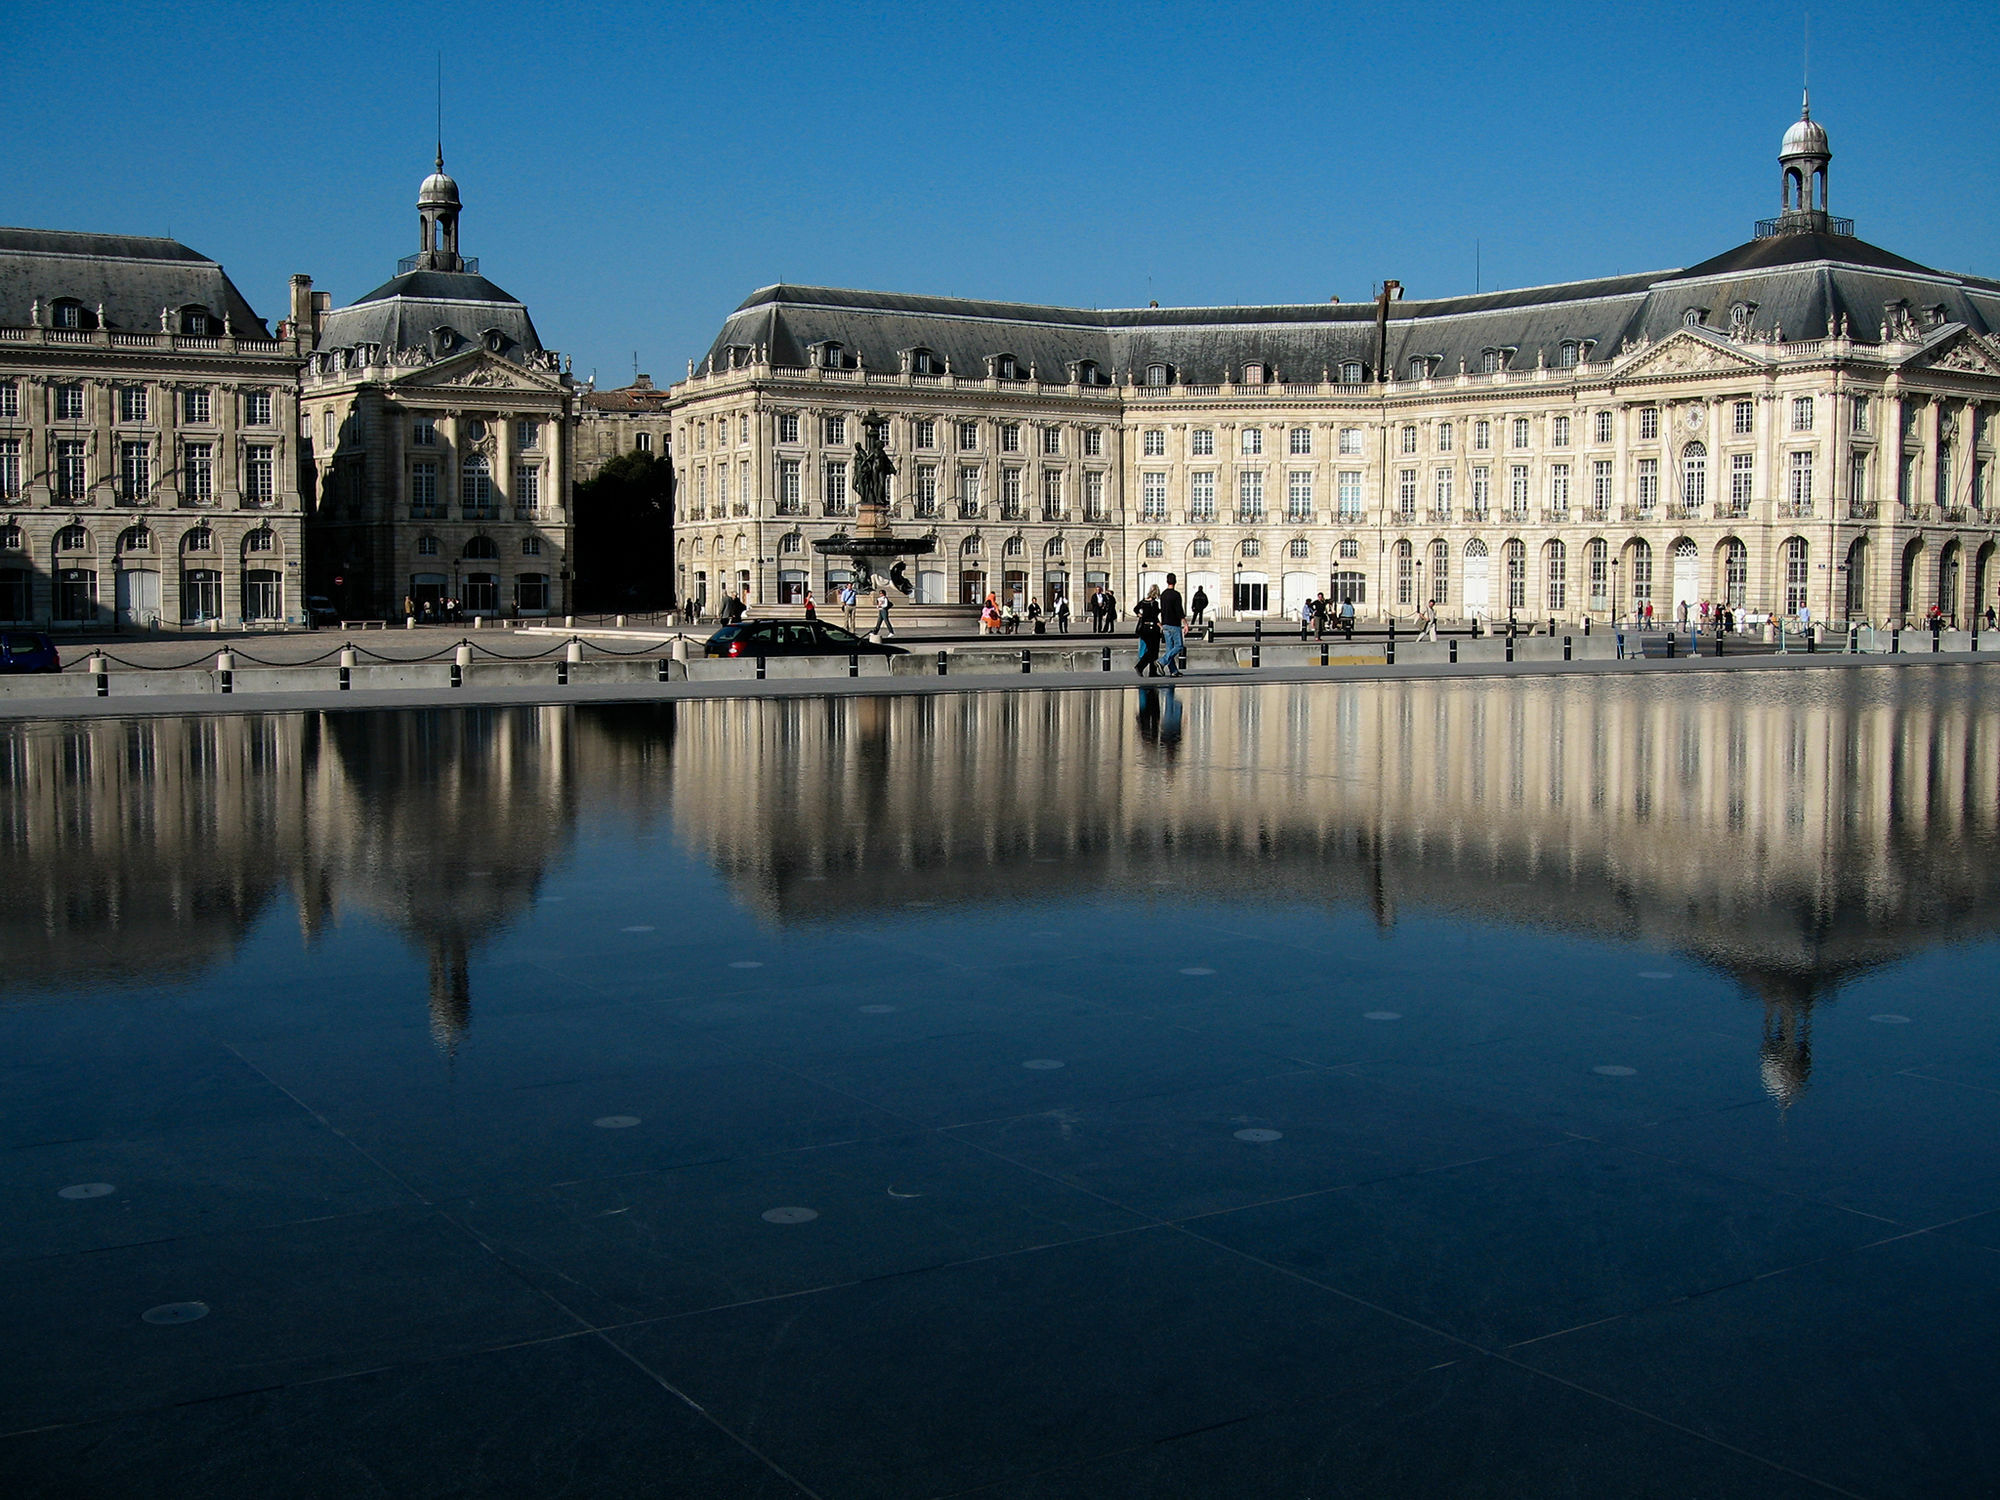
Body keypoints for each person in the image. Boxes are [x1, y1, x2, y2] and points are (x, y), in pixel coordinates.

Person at [1159, 572, 1187, 677]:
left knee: (1169, 649)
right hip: (1174, 624)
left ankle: (1173, 671)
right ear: (1175, 582)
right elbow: (1179, 610)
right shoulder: (1176, 595)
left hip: (1165, 623)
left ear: (1167, 581)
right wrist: (1185, 623)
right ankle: (1162, 661)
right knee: (1179, 646)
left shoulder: (1163, 594)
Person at [1134, 585, 1164, 676]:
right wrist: (1160, 625)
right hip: (1152, 629)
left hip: (1143, 628)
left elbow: (1135, 609)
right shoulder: (1154, 603)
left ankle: (1152, 671)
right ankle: (1141, 666)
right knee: (1153, 651)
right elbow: (1154, 617)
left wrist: (1140, 615)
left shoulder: (1143, 601)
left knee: (1150, 649)